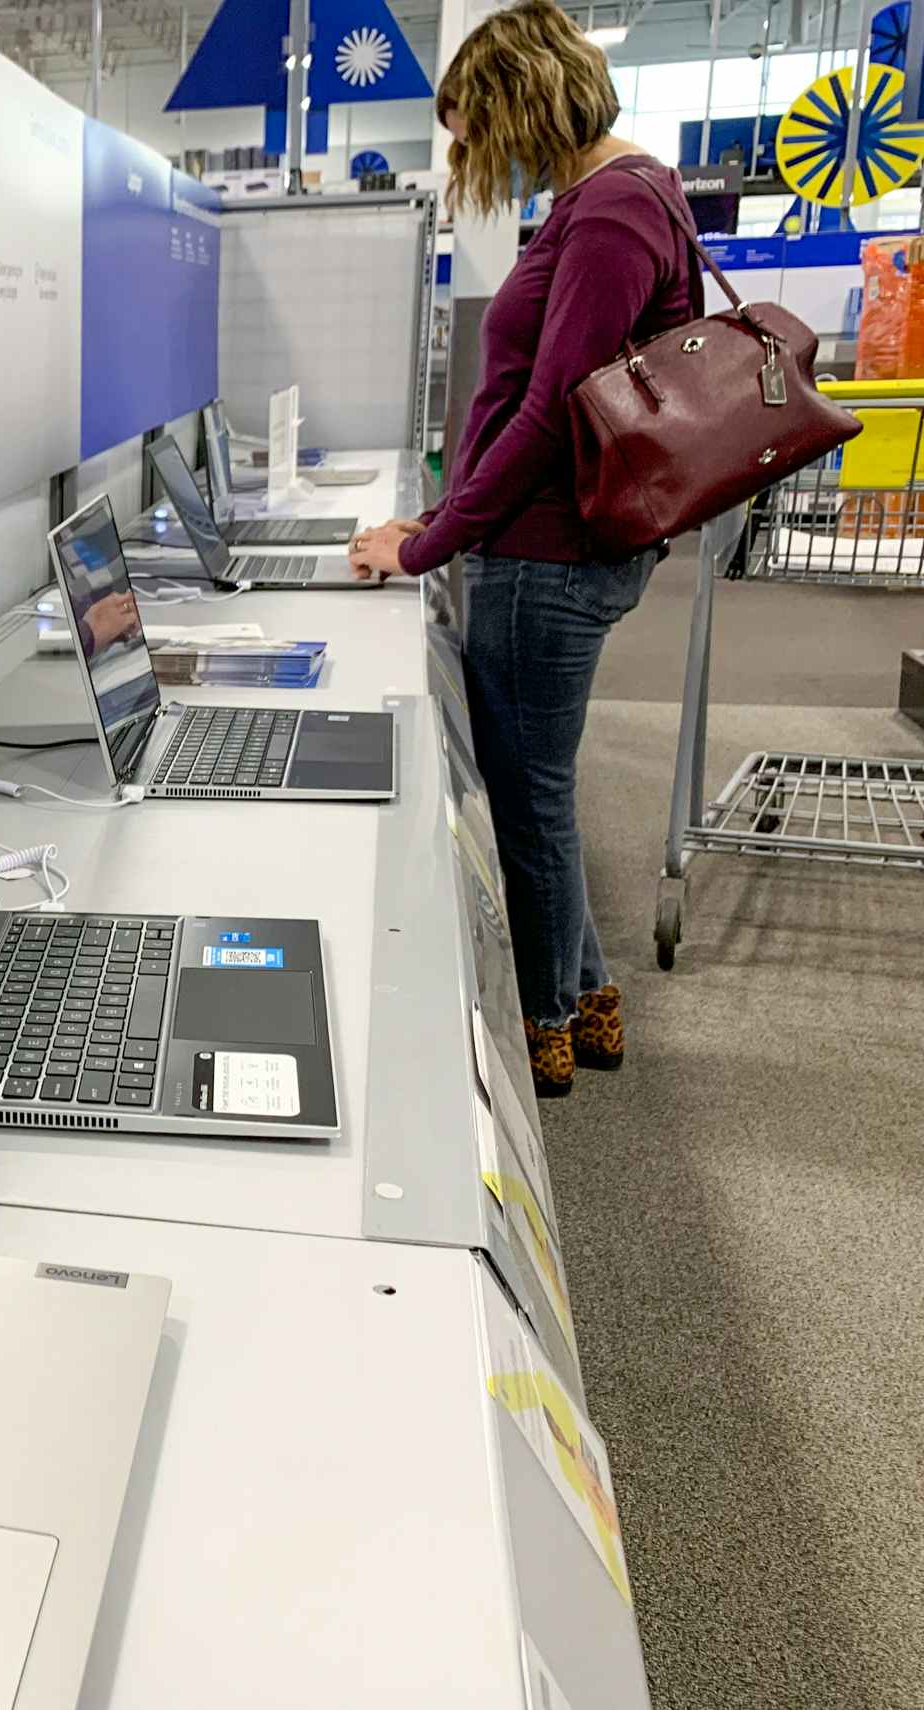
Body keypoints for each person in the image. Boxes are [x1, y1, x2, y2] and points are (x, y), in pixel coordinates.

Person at [346, 0, 698, 1098]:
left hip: (547, 558)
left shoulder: (606, 216)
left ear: (517, 104)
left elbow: (549, 410)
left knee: (528, 793)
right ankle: (588, 1000)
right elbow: (522, 397)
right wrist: (439, 519)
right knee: (537, 784)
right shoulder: (611, 199)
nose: (467, 159)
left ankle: (544, 1020)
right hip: (536, 547)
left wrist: (431, 542)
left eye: (470, 130)